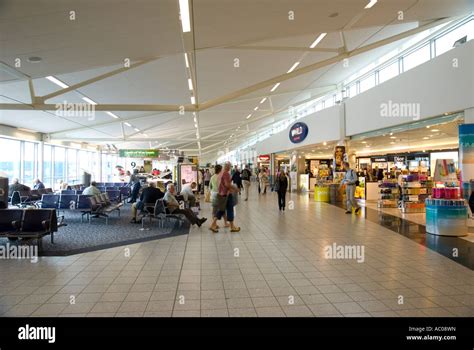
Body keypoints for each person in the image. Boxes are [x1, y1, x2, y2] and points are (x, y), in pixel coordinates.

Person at [210, 162, 240, 232]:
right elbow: (227, 184)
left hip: (221, 194)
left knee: (222, 210)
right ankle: (232, 226)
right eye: (229, 166)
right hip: (227, 194)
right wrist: (235, 188)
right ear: (227, 167)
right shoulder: (226, 173)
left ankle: (213, 225)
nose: (230, 168)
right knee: (229, 209)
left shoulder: (220, 174)